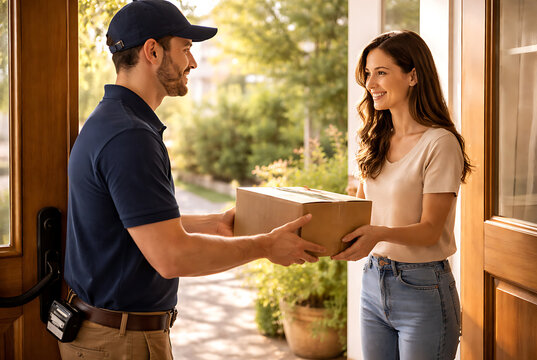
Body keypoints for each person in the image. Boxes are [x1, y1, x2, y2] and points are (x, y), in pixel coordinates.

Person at [61, 1, 325, 359]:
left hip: (106, 334)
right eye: (185, 49)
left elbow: (137, 228)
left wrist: (216, 223)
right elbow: (172, 255)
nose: (193, 62)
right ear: (152, 51)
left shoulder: (112, 120)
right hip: (120, 343)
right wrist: (265, 247)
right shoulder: (130, 137)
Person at [332, 30, 472, 360]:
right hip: (373, 281)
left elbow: (430, 230)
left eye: (382, 72)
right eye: (368, 73)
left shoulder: (440, 144)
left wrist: (378, 233)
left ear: (413, 76)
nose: (370, 83)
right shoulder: (372, 138)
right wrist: (324, 212)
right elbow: (362, 209)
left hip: (423, 288)